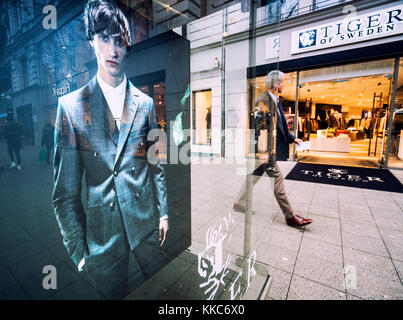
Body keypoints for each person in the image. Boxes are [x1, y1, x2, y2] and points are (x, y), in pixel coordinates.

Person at [52, 0, 168, 299]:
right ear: (92, 41)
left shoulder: (144, 103)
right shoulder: (71, 107)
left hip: (144, 225)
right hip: (103, 238)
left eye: (119, 41)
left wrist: (164, 213)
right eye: (104, 38)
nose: (112, 50)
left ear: (127, 47)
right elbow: (65, 193)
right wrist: (78, 250)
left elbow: (156, 164)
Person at [233, 70, 313, 227]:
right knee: (278, 180)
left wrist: (293, 138)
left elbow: (281, 125)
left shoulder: (276, 101)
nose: (283, 85)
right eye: (282, 82)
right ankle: (290, 216)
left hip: (267, 150)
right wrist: (263, 153)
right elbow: (258, 130)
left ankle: (238, 203)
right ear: (275, 83)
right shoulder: (263, 101)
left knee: (253, 177)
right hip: (266, 151)